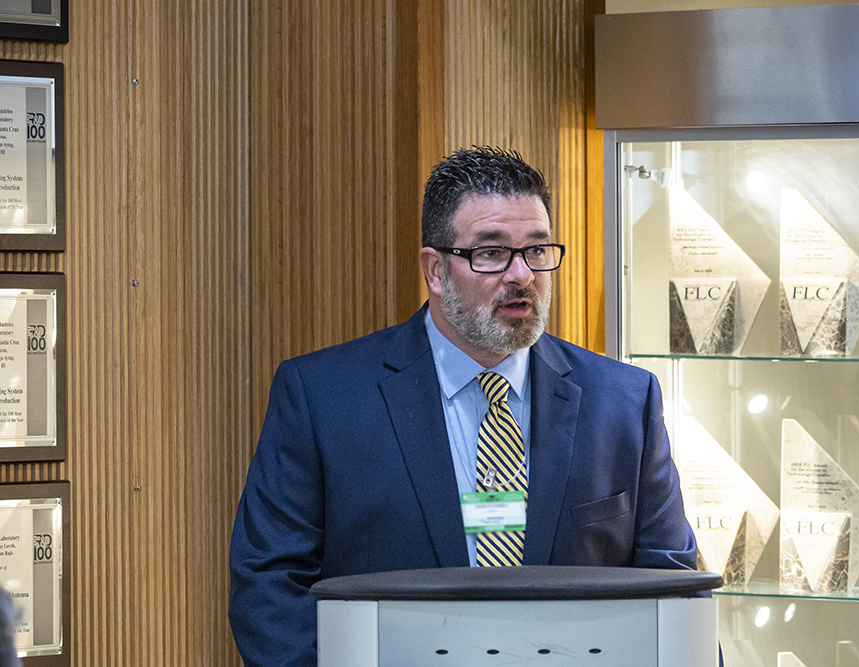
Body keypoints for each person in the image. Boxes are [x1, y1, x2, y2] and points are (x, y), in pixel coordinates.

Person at [229, 147, 699, 667]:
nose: (521, 275)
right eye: (491, 253)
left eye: (537, 250)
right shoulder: (323, 397)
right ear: (435, 270)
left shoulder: (625, 401)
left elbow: (674, 591)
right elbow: (269, 585)